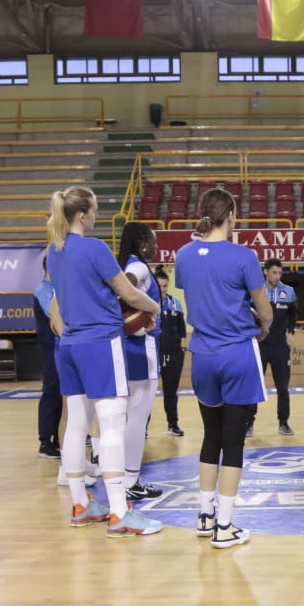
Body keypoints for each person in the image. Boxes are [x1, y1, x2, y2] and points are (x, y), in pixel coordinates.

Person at [46, 185, 163, 535]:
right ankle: (118, 513)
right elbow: (127, 292)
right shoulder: (94, 248)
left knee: (77, 424)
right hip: (100, 342)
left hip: (69, 344)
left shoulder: (54, 250)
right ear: (82, 214)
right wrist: (155, 306)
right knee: (112, 424)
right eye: (95, 210)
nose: (97, 216)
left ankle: (81, 504)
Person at [176, 187, 274, 549]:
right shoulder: (244, 256)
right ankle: (226, 526)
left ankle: (205, 515)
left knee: (210, 436)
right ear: (232, 213)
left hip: (202, 353)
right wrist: (265, 324)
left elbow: (199, 293)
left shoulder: (184, 254)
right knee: (234, 442)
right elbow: (263, 310)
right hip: (236, 353)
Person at [115, 221, 164, 502]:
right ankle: (130, 480)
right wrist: (148, 310)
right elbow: (125, 289)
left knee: (128, 416)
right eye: (153, 241)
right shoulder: (139, 266)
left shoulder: (127, 262)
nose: (156, 246)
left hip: (128, 348)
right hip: (140, 346)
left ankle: (125, 477)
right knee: (137, 417)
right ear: (143, 241)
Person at [248, 257, 297, 437]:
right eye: (274, 272)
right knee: (254, 384)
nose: (277, 276)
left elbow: (292, 315)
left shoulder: (288, 292)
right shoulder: (256, 291)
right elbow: (247, 313)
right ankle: (248, 423)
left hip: (280, 346)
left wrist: (291, 333)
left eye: (280, 273)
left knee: (283, 386)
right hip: (260, 343)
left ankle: (283, 422)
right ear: (266, 272)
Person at [33, 254, 63, 460]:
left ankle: (58, 439)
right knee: (52, 390)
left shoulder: (59, 288)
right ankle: (45, 441)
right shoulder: (44, 290)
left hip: (61, 347)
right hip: (50, 347)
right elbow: (54, 315)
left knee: (64, 392)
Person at [155, 267, 187, 436]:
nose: (163, 289)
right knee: (147, 392)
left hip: (175, 353)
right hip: (155, 353)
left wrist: (182, 347)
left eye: (165, 286)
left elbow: (182, 329)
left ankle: (173, 424)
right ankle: (142, 428)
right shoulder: (148, 303)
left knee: (171, 391)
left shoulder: (176, 303)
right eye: (160, 286)